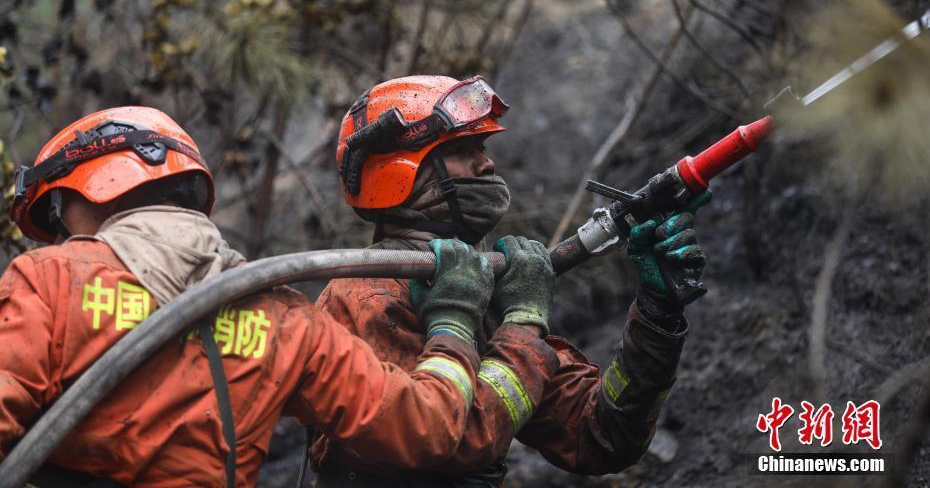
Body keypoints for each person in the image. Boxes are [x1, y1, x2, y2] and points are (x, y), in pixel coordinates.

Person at [0, 106, 502, 487]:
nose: (64, 235)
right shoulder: (286, 317)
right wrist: (455, 321)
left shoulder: (49, 280)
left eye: (59, 215)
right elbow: (426, 427)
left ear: (88, 193)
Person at [313, 75, 710, 486]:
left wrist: (657, 314)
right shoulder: (363, 297)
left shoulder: (478, 285)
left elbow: (603, 436)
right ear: (400, 174)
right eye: (462, 151)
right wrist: (523, 322)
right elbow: (446, 441)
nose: (487, 164)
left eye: (481, 148)